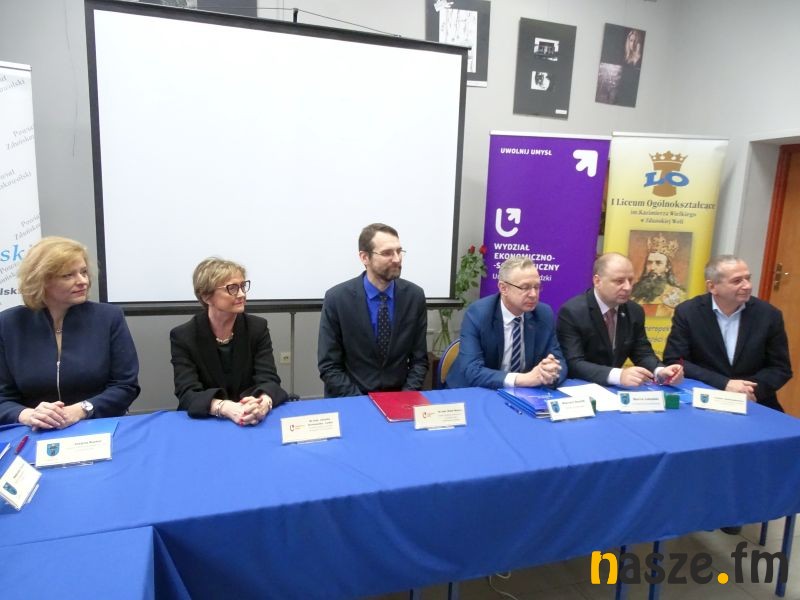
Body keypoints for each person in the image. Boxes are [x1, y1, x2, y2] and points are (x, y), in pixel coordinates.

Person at [0, 236, 140, 428]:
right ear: (41, 280)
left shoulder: (108, 318)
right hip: (34, 429)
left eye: (84, 272)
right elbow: (3, 396)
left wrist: (81, 410)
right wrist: (27, 415)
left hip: (97, 423)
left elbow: (125, 386)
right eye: (68, 275)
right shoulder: (8, 324)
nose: (83, 281)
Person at [664, 255, 792, 412]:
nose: (747, 286)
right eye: (737, 281)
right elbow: (676, 360)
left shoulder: (769, 315)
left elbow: (780, 368)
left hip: (754, 401)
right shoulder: (688, 312)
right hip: (704, 399)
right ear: (712, 287)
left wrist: (748, 391)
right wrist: (724, 384)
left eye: (748, 279)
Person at [170, 258, 288, 425]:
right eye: (232, 288)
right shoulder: (184, 336)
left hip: (252, 417)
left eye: (242, 286)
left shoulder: (257, 328)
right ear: (206, 296)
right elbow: (187, 393)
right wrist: (224, 407)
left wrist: (263, 403)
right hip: (208, 422)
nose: (242, 294)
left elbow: (269, 380)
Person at [318, 223, 428, 397]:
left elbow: (419, 361)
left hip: (399, 397)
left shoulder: (414, 296)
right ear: (364, 257)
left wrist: (404, 398)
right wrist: (362, 403)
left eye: (399, 251)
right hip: (352, 399)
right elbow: (329, 366)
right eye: (387, 253)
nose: (397, 259)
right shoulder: (337, 299)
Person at [557, 253, 683, 387]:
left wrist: (660, 371)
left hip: (616, 390)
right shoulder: (573, 312)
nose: (628, 287)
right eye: (619, 281)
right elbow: (574, 363)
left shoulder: (634, 311)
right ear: (597, 281)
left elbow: (641, 352)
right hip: (580, 387)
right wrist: (618, 375)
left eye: (630, 280)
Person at [446, 256, 566, 389]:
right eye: (525, 287)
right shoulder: (478, 314)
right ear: (503, 288)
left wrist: (550, 372)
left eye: (537, 287)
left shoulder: (543, 314)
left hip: (522, 392)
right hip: (474, 390)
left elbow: (559, 361)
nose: (533, 294)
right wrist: (523, 379)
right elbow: (472, 370)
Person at [630, 233, 686, 316]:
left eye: (658, 263)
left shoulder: (677, 295)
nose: (652, 267)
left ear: (667, 268)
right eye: (649, 262)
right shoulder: (633, 292)